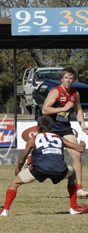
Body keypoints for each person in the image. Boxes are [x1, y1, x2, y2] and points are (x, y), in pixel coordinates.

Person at [0, 115, 88, 216]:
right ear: (52, 128)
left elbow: (22, 159)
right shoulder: (59, 138)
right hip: (59, 170)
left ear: (38, 128)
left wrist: (18, 169)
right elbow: (80, 149)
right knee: (73, 173)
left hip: (39, 170)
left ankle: (5, 210)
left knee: (14, 184)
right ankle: (73, 208)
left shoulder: (33, 139)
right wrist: (82, 144)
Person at [42, 66, 88, 198]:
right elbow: (45, 110)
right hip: (51, 128)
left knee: (77, 154)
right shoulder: (55, 92)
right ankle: (30, 160)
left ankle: (79, 188)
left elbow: (78, 110)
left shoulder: (75, 94)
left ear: (74, 80)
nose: (68, 80)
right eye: (66, 78)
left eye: (71, 78)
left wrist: (82, 125)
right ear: (62, 79)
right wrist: (63, 108)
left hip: (65, 128)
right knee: (47, 158)